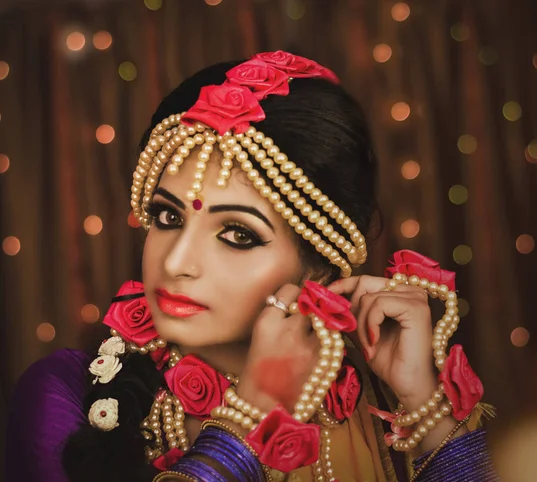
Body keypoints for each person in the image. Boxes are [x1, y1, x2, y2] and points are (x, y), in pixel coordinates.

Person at [5, 51, 499, 482]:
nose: (176, 262)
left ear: (321, 271)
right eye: (167, 216)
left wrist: (425, 407)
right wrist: (252, 416)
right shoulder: (64, 392)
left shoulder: (382, 404)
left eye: (237, 235)